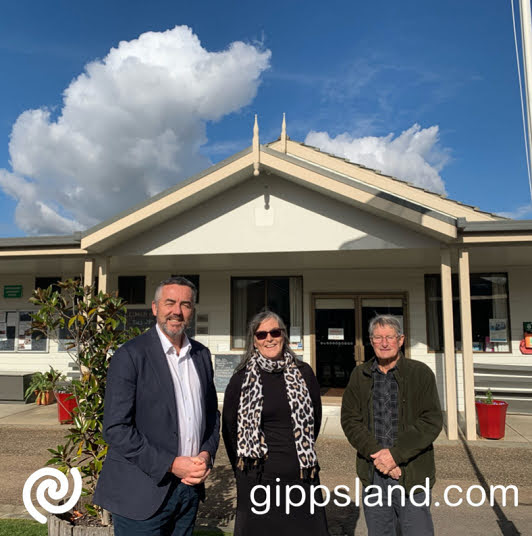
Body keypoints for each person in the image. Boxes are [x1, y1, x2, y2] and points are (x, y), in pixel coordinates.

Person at [94, 277, 220, 536]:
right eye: (169, 303)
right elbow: (116, 428)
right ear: (155, 308)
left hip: (188, 491)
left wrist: (205, 455)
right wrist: (171, 464)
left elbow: (211, 415)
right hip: (142, 494)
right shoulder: (130, 355)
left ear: (192, 311)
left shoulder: (201, 355)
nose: (177, 311)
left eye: (185, 304)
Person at [222, 311, 330, 536]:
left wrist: (299, 452)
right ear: (254, 341)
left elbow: (314, 421)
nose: (269, 338)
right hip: (258, 478)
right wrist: (244, 467)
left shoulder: (303, 373)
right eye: (261, 334)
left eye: (274, 332)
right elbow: (230, 429)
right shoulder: (241, 378)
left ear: (283, 335)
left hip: (301, 474)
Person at [341, 314, 442, 536]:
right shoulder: (360, 375)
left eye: (390, 337)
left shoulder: (420, 373)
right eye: (378, 337)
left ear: (401, 339)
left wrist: (396, 455)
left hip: (411, 472)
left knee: (417, 531)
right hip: (374, 472)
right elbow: (350, 420)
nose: (384, 343)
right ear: (371, 341)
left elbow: (431, 420)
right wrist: (379, 455)